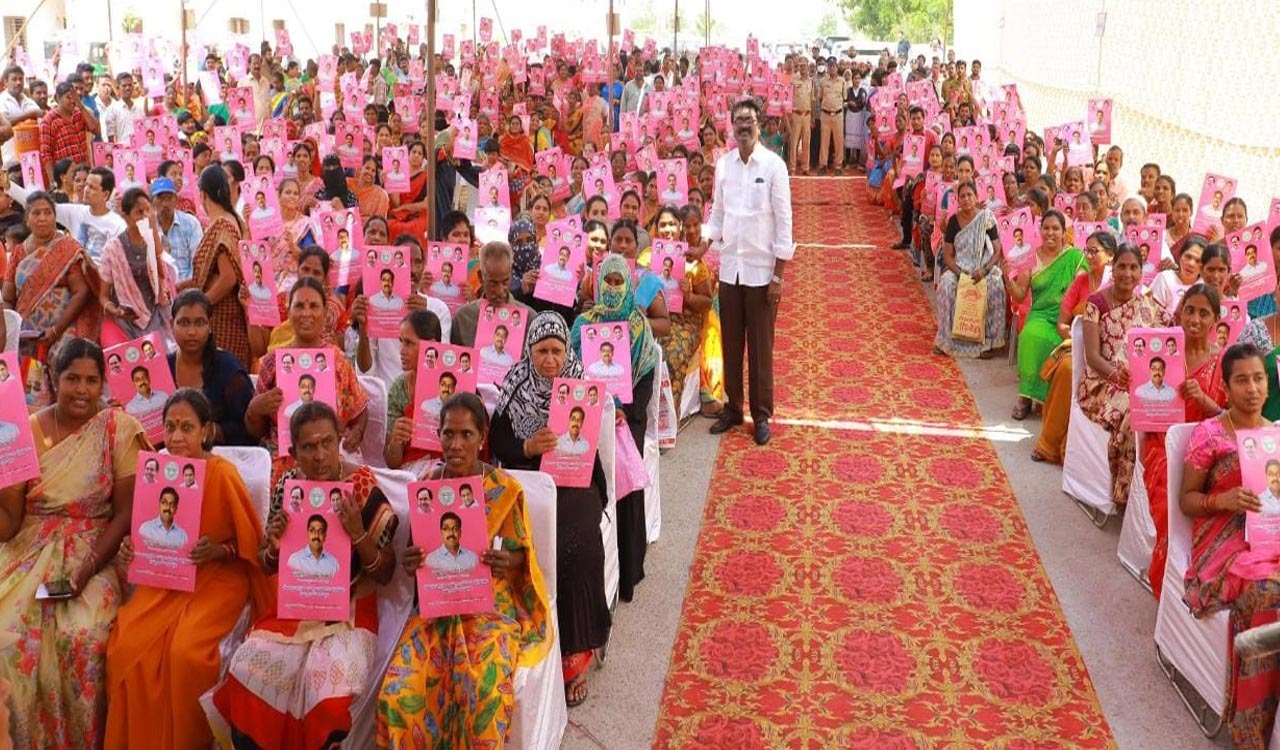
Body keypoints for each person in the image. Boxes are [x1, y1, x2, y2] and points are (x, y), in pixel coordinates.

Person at [208, 402, 398, 749]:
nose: (320, 455)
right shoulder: (289, 487)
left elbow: (386, 571)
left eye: (327, 442)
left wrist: (357, 533)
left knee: (321, 686)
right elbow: (268, 565)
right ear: (293, 451)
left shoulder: (362, 486)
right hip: (296, 607)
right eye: (309, 447)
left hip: (351, 611)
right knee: (248, 667)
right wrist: (275, 545)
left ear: (340, 438)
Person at [104, 389, 274, 750]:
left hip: (218, 580)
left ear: (206, 431)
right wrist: (131, 549)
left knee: (186, 654)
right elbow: (145, 534)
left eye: (187, 427)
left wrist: (217, 550)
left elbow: (249, 548)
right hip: (165, 578)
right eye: (170, 427)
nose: (177, 437)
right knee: (125, 645)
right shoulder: (156, 472)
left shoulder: (222, 474)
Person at [0, 339, 145, 749]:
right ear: (53, 378)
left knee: (83, 639)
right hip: (28, 549)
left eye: (91, 380)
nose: (81, 389)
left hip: (94, 550)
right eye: (71, 379)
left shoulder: (118, 428)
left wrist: (84, 573)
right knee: (8, 638)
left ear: (102, 383)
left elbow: (125, 514)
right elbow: (9, 524)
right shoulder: (23, 430)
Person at [489, 314, 610, 708]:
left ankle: (575, 653)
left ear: (567, 351)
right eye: (542, 350)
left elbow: (589, 451)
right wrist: (527, 449)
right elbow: (499, 442)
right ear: (530, 350)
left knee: (575, 546)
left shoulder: (581, 384)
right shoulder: (515, 384)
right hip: (526, 478)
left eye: (557, 350)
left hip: (575, 481)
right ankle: (529, 639)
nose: (550, 359)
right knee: (519, 546)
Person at [1176, 342, 1280, 750]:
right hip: (1225, 544)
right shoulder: (1210, 434)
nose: (1252, 388)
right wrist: (1222, 500)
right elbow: (1186, 500)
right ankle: (1250, 732)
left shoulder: (1275, 437)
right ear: (1225, 387)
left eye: (1258, 379)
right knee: (1269, 597)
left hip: (1270, 536)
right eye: (1241, 380)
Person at [703, 99, 794, 446]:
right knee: (730, 343)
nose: (744, 125)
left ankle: (761, 415)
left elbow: (784, 223)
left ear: (759, 124)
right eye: (738, 119)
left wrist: (778, 276)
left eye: (749, 120)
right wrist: (703, 245)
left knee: (760, 347)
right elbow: (718, 216)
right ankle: (733, 407)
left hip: (760, 273)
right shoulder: (724, 165)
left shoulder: (774, 166)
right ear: (731, 126)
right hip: (730, 270)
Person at [245, 278, 369, 482]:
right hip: (284, 459)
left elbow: (360, 410)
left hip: (330, 456)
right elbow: (257, 430)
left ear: (324, 312)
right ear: (289, 310)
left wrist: (358, 431)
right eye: (299, 306)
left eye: (314, 306)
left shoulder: (337, 360)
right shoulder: (272, 361)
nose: (306, 313)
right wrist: (254, 409)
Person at [1079, 245, 1173, 507]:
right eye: (1122, 266)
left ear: (1141, 271)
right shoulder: (1095, 304)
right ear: (1113, 268)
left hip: (1138, 381)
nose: (1127, 273)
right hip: (1101, 383)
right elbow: (1092, 357)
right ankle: (1125, 494)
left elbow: (1173, 331)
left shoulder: (1148, 304)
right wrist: (1115, 375)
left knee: (1163, 405)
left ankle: (1154, 491)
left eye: (1134, 267)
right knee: (1137, 411)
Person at [2, 190, 101, 404]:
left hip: (63, 326)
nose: (43, 218)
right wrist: (17, 329)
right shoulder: (19, 252)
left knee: (64, 359)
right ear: (27, 218)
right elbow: (8, 296)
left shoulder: (66, 247)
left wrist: (56, 330)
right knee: (24, 374)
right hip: (28, 332)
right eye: (36, 213)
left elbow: (81, 292)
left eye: (48, 212)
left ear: (55, 217)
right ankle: (39, 425)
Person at [1032, 231, 1117, 463]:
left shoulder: (1120, 286)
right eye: (1086, 250)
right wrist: (1077, 336)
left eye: (1094, 251)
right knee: (1068, 369)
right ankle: (1048, 442)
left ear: (1110, 256)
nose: (1088, 256)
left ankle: (1075, 450)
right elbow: (1062, 322)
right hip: (1079, 345)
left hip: (1112, 353)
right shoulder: (1080, 281)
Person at [1007, 211, 1085, 419]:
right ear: (1040, 231)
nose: (1050, 232)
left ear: (1063, 232)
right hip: (1041, 314)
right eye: (1046, 228)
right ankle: (1025, 397)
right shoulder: (1031, 258)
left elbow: (1084, 287)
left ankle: (1047, 400)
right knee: (1030, 336)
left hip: (1067, 316)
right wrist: (1008, 279)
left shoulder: (1075, 257)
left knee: (1056, 340)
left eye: (1055, 228)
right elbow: (1021, 293)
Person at [166, 289, 258, 446]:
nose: (191, 332)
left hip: (222, 458)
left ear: (210, 326)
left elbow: (251, 431)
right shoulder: (163, 368)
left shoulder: (229, 371)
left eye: (199, 323)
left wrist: (209, 431)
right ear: (171, 325)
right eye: (184, 322)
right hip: (172, 462)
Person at [181, 165, 252, 366]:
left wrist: (199, 307)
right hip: (223, 315)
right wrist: (183, 286)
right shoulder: (233, 220)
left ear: (203, 194)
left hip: (222, 318)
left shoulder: (222, 224)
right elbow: (208, 274)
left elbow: (228, 278)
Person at [934, 180, 1007, 359]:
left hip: (982, 268)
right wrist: (960, 274)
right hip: (960, 268)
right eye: (963, 196)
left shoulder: (986, 218)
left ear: (976, 197)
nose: (966, 199)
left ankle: (989, 342)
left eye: (970, 195)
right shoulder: (953, 221)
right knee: (945, 285)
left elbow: (997, 250)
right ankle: (946, 341)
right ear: (958, 200)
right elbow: (948, 254)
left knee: (996, 284)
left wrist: (985, 270)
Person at [385, 309, 445, 473]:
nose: (401, 351)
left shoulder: (455, 384)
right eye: (401, 342)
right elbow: (392, 462)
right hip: (412, 474)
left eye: (409, 343)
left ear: (431, 345)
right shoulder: (399, 388)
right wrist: (396, 440)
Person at [286, 513, 341, 578]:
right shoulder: (294, 560)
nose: (316, 535)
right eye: (312, 531)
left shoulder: (334, 564)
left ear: (325, 535)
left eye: (320, 531)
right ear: (307, 533)